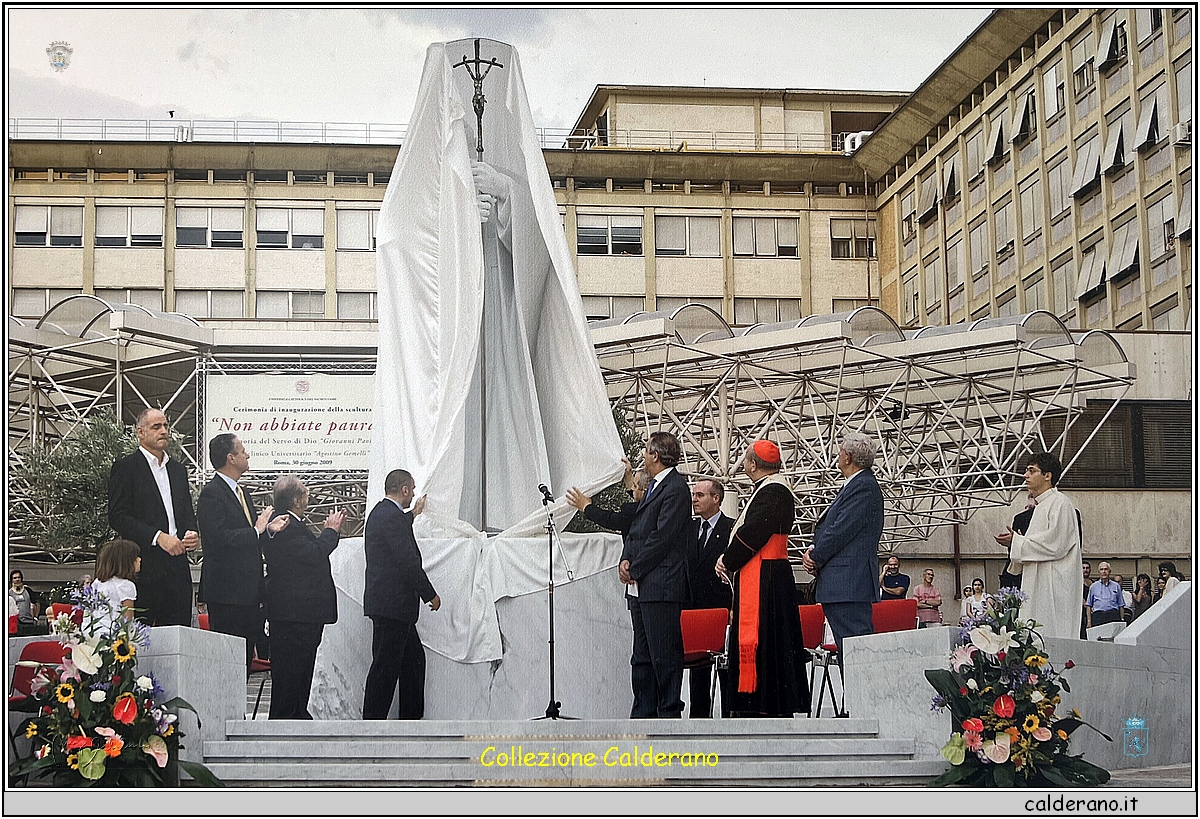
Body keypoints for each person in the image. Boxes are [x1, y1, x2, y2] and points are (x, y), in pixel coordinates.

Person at [595, 431, 690, 718]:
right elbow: (637, 528)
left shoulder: (674, 488)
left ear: (656, 456)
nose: (644, 457)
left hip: (660, 585)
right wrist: (626, 558)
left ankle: (668, 712)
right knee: (643, 656)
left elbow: (662, 537)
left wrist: (634, 567)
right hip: (642, 586)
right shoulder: (654, 487)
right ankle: (643, 711)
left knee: (663, 654)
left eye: (647, 452)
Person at [715, 441, 810, 718]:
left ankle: (762, 703)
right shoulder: (770, 489)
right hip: (764, 574)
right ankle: (756, 702)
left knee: (767, 640)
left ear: (754, 465)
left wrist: (728, 560)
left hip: (766, 577)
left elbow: (754, 531)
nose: (744, 466)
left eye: (745, 461)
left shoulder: (774, 491)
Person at [197, 433, 288, 673]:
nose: (247, 455)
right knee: (227, 664)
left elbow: (250, 536)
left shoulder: (242, 493)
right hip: (227, 593)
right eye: (242, 451)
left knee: (244, 662)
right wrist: (256, 531)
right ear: (230, 458)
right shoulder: (212, 493)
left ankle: (239, 711)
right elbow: (217, 539)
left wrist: (267, 530)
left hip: (249, 593)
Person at [262, 475, 346, 720]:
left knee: (302, 667)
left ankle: (297, 711)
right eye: (306, 494)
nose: (308, 499)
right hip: (293, 614)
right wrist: (330, 531)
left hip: (302, 614)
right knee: (291, 669)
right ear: (297, 499)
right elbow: (313, 554)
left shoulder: (294, 523)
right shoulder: (285, 525)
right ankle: (287, 715)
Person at [107, 407, 200, 626]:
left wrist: (192, 533)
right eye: (156, 426)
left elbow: (186, 512)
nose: (164, 431)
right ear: (140, 432)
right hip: (143, 565)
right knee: (141, 636)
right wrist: (158, 537)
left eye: (166, 426)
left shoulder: (178, 470)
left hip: (178, 566)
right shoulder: (125, 468)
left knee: (179, 634)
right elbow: (117, 516)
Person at [362, 469, 441, 720]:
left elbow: (396, 529)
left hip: (390, 607)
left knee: (412, 662)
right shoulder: (390, 517)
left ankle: (410, 719)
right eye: (412, 489)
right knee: (386, 668)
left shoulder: (383, 514)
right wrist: (429, 594)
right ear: (404, 489)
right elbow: (408, 562)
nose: (413, 494)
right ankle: (373, 723)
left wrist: (413, 514)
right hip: (393, 607)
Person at [802, 432, 884, 652]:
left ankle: (859, 688)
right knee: (850, 650)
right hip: (845, 583)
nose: (837, 457)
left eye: (839, 453)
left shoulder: (863, 486)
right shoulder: (855, 485)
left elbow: (840, 529)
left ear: (848, 457)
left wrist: (815, 557)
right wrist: (813, 549)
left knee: (855, 651)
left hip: (849, 583)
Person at [994, 452, 1082, 639]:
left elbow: (1057, 543)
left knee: (1053, 633)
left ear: (1047, 476)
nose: (1025, 475)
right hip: (1037, 582)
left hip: (1054, 585)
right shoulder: (1040, 507)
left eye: (1031, 471)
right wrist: (1017, 542)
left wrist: (1017, 542)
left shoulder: (1061, 503)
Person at [683, 477, 734, 719]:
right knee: (698, 672)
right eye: (693, 495)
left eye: (700, 495)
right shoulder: (689, 529)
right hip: (695, 611)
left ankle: (729, 719)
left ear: (716, 499)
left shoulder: (731, 529)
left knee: (726, 669)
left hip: (722, 610)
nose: (694, 499)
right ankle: (699, 721)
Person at [91, 538, 141, 623]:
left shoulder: (97, 583)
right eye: (135, 557)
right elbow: (128, 619)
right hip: (114, 633)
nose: (139, 559)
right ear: (125, 562)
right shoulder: (126, 585)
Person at [1000, 498, 1035, 588]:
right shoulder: (1019, 519)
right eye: (1027, 508)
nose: (1027, 512)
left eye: (1031, 508)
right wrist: (1013, 542)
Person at [1085, 562, 1124, 631]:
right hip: (1098, 616)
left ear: (1110, 571)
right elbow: (1089, 605)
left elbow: (1121, 604)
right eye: (1101, 569)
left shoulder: (1116, 586)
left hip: (1113, 615)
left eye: (1106, 569)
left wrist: (1122, 620)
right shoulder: (1093, 586)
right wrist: (1089, 622)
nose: (1104, 571)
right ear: (1099, 572)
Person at [9, 570, 42, 635]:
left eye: (19, 577)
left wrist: (36, 617)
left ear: (21, 579)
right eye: (15, 578)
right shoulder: (9, 593)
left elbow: (37, 603)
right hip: (16, 624)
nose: (17, 579)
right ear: (12, 580)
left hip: (29, 622)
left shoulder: (28, 590)